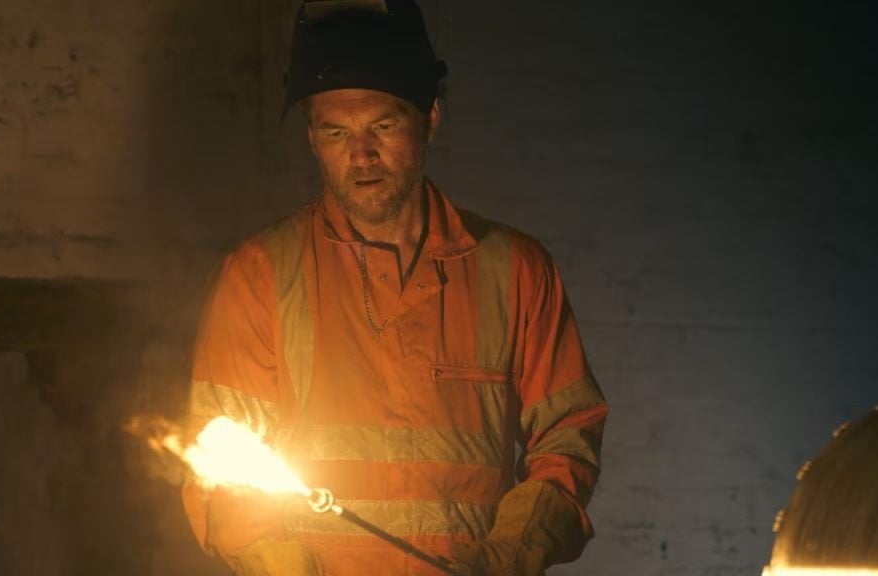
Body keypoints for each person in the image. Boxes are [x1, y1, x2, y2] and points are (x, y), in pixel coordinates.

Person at [182, 1, 608, 574]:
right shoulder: (259, 276)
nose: (361, 154)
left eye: (383, 125)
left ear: (429, 117)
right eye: (336, 131)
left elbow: (567, 436)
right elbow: (222, 470)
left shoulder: (515, 271)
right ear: (312, 137)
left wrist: (506, 558)